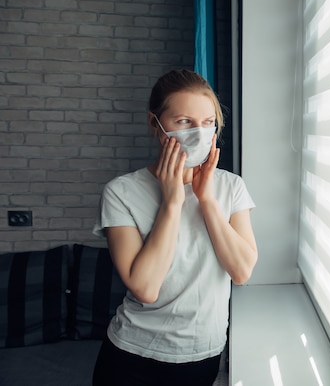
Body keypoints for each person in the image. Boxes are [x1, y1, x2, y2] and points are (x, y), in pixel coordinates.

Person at [92, 69, 258, 386]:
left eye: (208, 123)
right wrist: (172, 202)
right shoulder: (121, 192)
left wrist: (207, 200)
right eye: (184, 122)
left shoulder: (231, 188)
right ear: (156, 124)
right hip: (130, 355)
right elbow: (145, 288)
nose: (198, 133)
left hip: (201, 355)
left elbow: (242, 271)